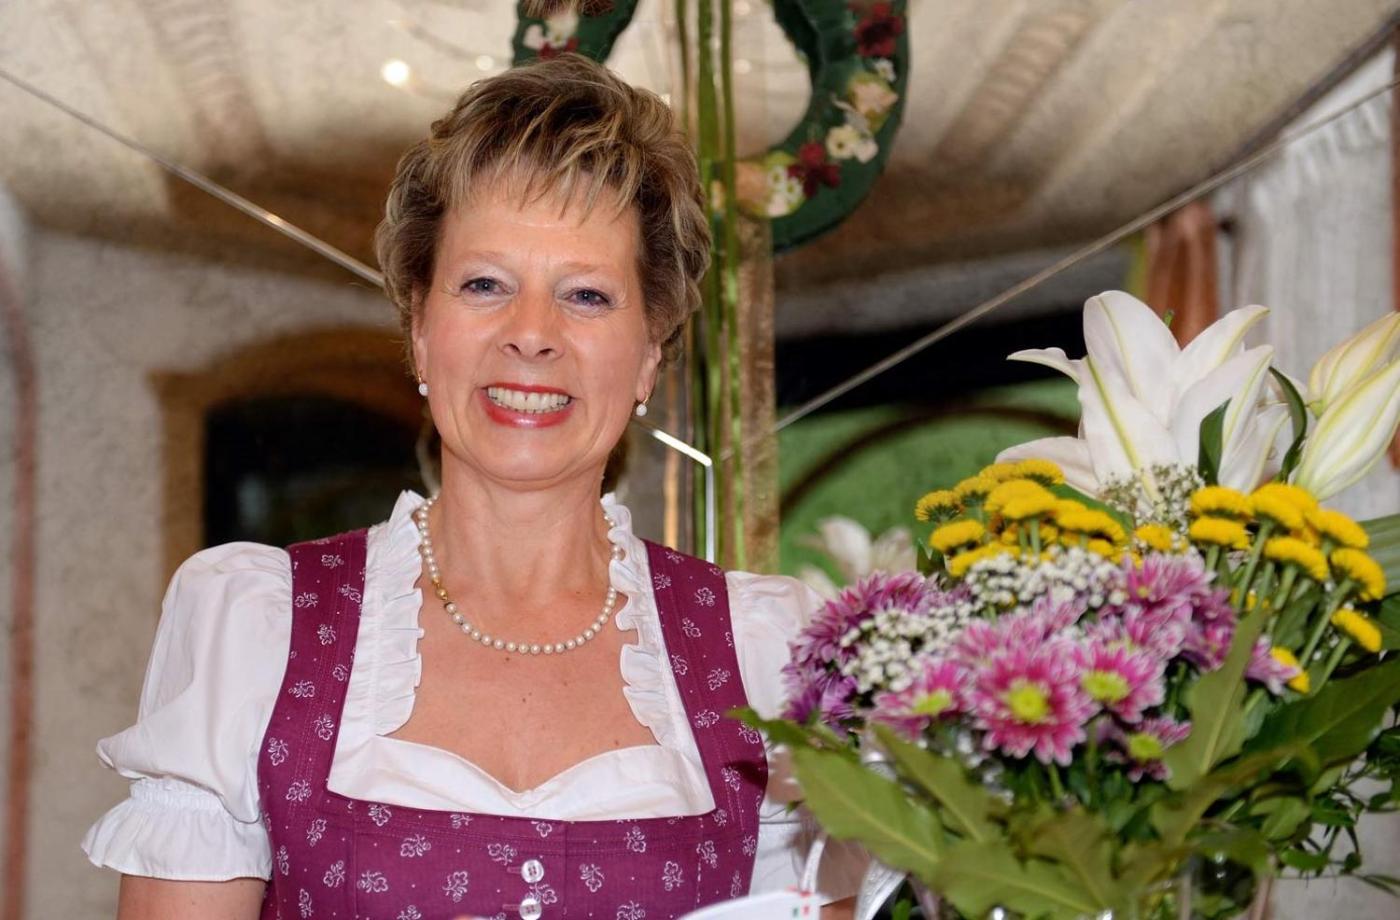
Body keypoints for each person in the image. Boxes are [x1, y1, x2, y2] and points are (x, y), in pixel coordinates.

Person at [82, 53, 866, 919]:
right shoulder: (258, 632)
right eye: (485, 284)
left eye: (587, 296)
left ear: (649, 353)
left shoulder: (762, 657)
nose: (531, 333)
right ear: (421, 328)